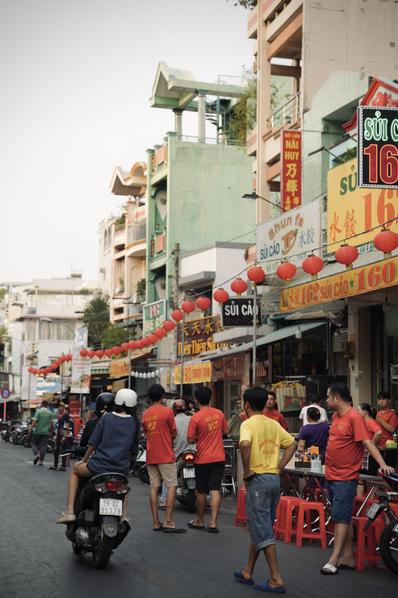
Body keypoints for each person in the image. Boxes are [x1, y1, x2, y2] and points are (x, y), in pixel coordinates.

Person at [320, 382, 395, 575]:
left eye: (328, 396)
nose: (326, 400)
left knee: (341, 519)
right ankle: (348, 557)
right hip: (331, 474)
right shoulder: (336, 416)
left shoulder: (355, 417)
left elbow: (367, 442)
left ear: (337, 398)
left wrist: (382, 464)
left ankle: (334, 559)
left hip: (345, 476)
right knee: (341, 516)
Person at [234, 387, 296, 592]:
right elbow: (292, 444)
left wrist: (247, 471)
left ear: (247, 405)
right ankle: (247, 571)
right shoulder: (273, 423)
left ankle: (276, 578)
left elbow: (244, 445)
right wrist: (279, 467)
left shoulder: (247, 423)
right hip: (273, 479)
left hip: (259, 479)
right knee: (261, 525)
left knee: (261, 526)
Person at [56, 388, 138, 524]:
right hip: (121, 469)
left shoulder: (106, 418)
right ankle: (124, 516)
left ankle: (70, 511)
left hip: (99, 466)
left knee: (75, 470)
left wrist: (83, 460)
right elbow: (132, 448)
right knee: (123, 484)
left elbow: (93, 443)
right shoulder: (133, 423)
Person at [142, 384, 185, 533]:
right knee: (171, 485)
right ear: (162, 397)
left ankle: (155, 522)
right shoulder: (167, 412)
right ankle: (168, 520)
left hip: (151, 454)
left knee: (154, 487)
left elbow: (146, 432)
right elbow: (173, 433)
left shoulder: (146, 413)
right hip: (166, 455)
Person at [187, 386, 228, 533]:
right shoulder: (219, 413)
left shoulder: (195, 417)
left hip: (202, 458)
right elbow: (226, 431)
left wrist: (200, 437)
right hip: (219, 457)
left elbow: (190, 439)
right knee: (215, 488)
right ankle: (213, 523)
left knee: (201, 490)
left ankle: (199, 520)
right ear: (210, 398)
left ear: (196, 400)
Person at [159, 398, 194, 509]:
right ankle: (207, 497)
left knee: (168, 476)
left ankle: (164, 500)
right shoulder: (193, 419)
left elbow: (169, 439)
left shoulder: (172, 421)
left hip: (178, 455)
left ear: (174, 410)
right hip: (194, 454)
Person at [49, 403, 74, 471]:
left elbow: (67, 426)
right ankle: (55, 465)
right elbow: (59, 426)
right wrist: (57, 435)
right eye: (59, 407)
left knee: (63, 450)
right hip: (59, 434)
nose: (59, 408)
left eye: (61, 407)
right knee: (56, 450)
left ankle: (63, 466)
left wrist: (64, 437)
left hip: (63, 434)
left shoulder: (66, 415)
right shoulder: (60, 415)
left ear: (63, 407)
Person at [30, 399, 54, 466]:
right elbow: (52, 424)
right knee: (43, 446)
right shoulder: (50, 413)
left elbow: (34, 422)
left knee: (34, 444)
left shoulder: (38, 412)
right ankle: (41, 461)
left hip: (37, 431)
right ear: (47, 405)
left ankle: (37, 455)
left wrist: (30, 429)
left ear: (42, 404)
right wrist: (51, 431)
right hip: (46, 432)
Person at [375, 391, 398, 458]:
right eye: (379, 399)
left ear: (389, 401)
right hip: (377, 444)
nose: (381, 401)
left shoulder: (392, 414)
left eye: (384, 399)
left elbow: (392, 429)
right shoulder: (378, 413)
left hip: (388, 446)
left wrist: (380, 420)